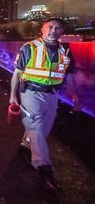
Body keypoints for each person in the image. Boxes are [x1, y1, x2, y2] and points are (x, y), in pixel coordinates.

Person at [9, 17, 82, 192]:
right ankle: (44, 167)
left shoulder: (66, 50)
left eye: (58, 28)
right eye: (50, 27)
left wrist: (74, 95)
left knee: (43, 129)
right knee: (36, 126)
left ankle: (25, 147)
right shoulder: (30, 48)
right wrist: (13, 95)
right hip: (30, 93)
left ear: (61, 31)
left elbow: (69, 75)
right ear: (42, 29)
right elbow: (17, 74)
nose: (53, 30)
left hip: (53, 95)